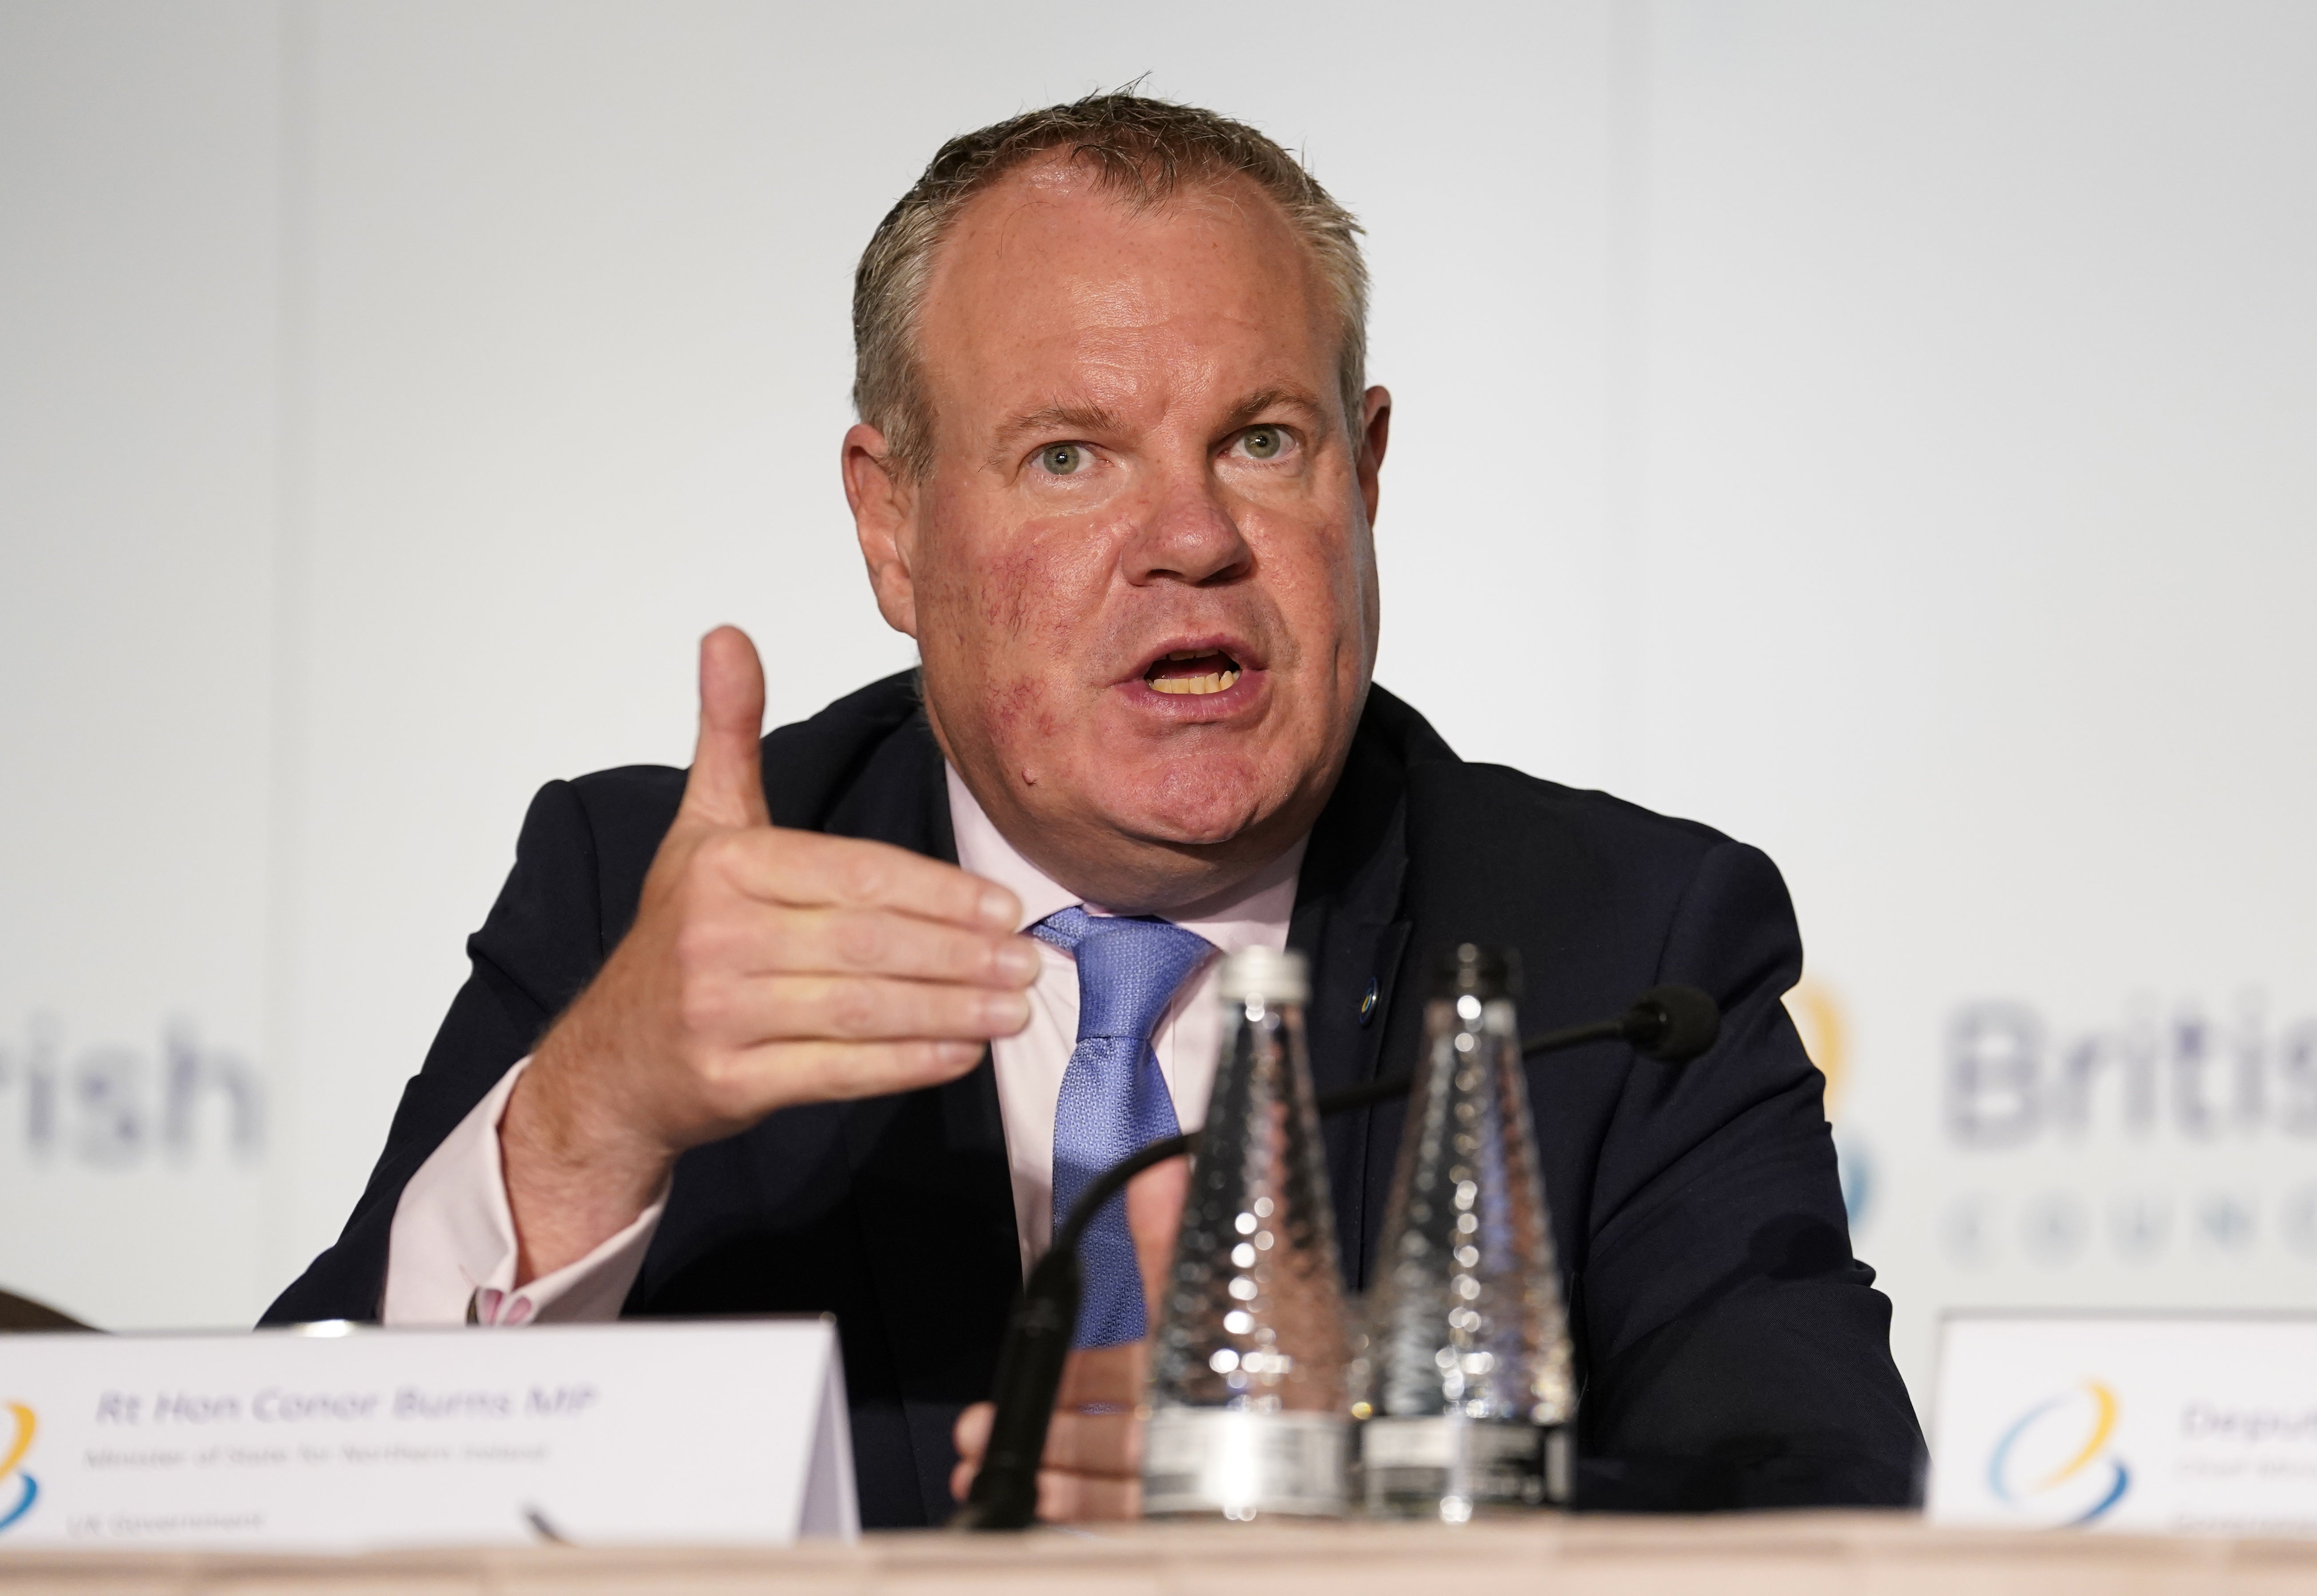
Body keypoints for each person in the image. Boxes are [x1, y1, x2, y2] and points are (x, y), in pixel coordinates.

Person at [265, 91, 1924, 1524]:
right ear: (893, 524)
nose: (1191, 535)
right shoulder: (661, 901)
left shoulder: (1620, 948)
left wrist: (1388, 1475)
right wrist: (586, 1120)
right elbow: (263, 1511)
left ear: (1368, 474)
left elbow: (1822, 1502)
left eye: (1263, 441)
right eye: (1072, 456)